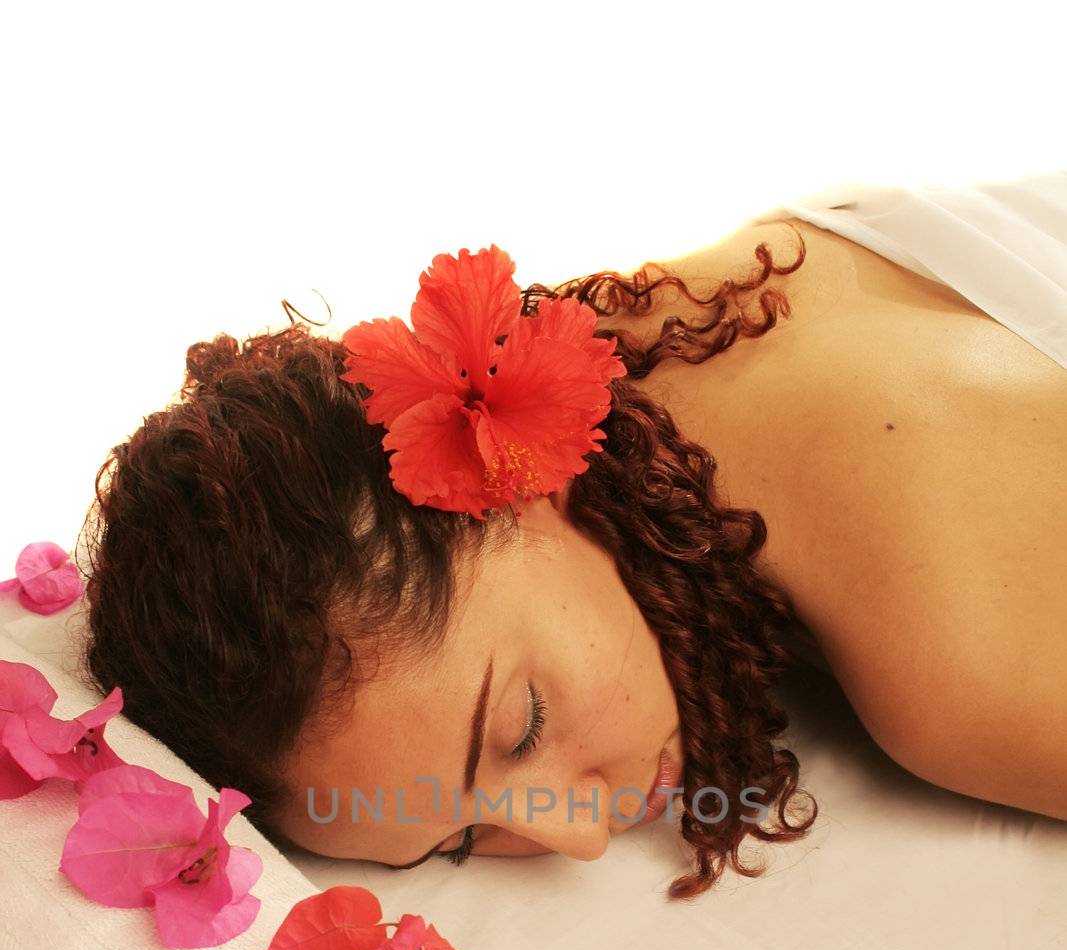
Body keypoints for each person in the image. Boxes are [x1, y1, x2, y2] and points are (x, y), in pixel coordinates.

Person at [77, 176, 1067, 903]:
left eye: (523, 725)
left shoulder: (954, 657)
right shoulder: (653, 330)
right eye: (465, 838)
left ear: (518, 479)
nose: (582, 835)